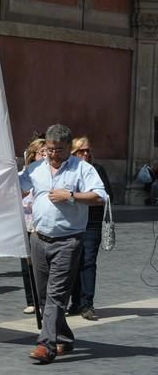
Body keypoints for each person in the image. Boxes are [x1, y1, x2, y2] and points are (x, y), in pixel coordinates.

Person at [18, 124, 106, 364]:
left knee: (56, 295)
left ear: (69, 147)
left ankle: (45, 345)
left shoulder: (82, 169)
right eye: (49, 149)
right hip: (39, 239)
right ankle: (64, 338)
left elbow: (100, 196)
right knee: (44, 296)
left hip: (68, 241)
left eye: (58, 149)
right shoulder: (36, 169)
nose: (53, 154)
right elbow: (18, 188)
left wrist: (70, 196)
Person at [68, 136, 112, 320]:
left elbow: (105, 197)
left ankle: (87, 304)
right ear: (72, 153)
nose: (85, 153)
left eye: (87, 150)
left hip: (91, 224)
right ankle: (76, 301)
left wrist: (74, 197)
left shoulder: (98, 170)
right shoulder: (68, 171)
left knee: (87, 262)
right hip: (70, 222)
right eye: (81, 151)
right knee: (72, 263)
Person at [21, 137, 47, 314]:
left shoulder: (50, 174)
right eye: (42, 153)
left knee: (43, 265)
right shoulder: (24, 174)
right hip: (26, 222)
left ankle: (44, 300)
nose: (45, 156)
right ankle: (32, 300)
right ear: (33, 155)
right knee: (27, 264)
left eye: (47, 152)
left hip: (41, 225)